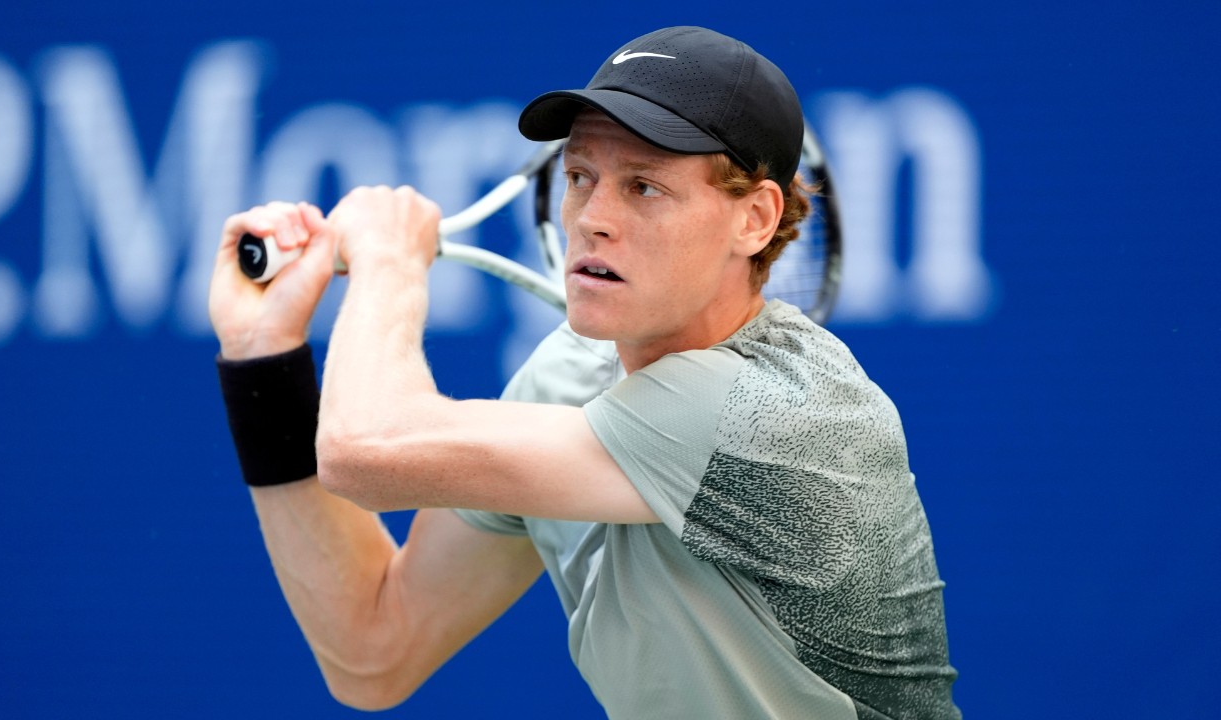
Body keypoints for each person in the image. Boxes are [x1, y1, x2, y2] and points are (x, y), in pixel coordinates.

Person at [210, 26, 959, 720]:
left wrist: (390, 262)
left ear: (755, 219)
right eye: (579, 176)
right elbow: (374, 649)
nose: (592, 216)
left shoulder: (774, 411)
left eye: (644, 186)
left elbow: (363, 448)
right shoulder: (569, 376)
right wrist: (263, 357)